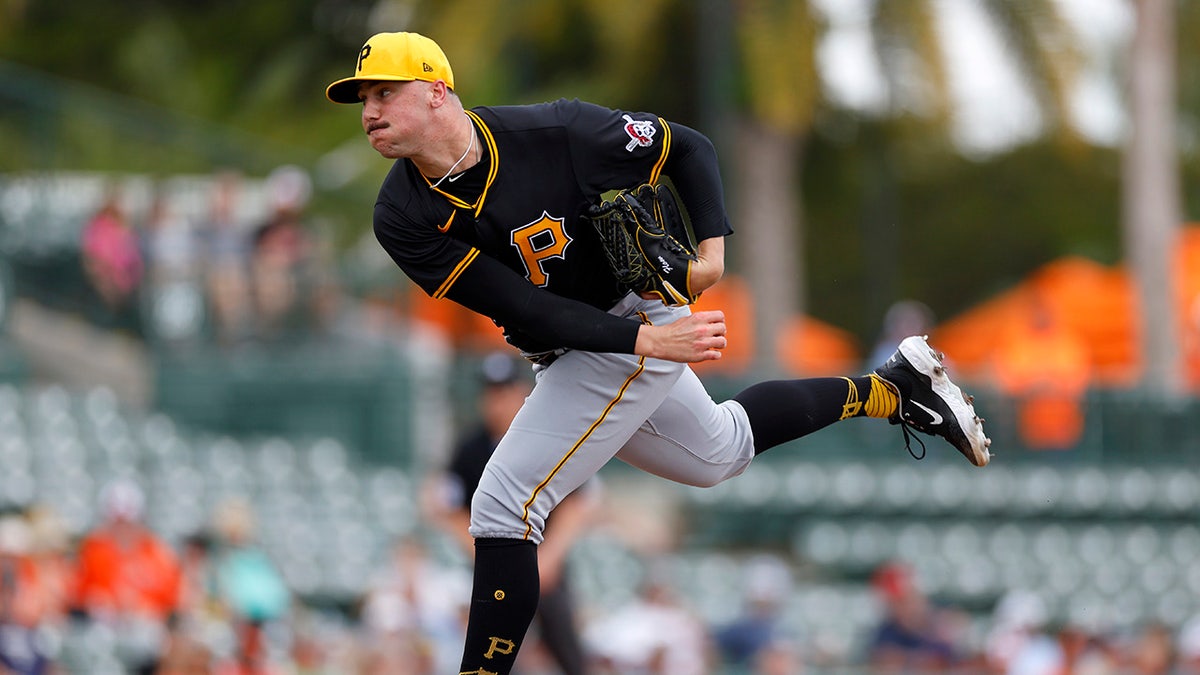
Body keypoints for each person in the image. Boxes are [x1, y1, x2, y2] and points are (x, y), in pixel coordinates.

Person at [324, 31, 991, 674]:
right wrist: (647, 342)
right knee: (719, 451)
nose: (370, 112)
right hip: (596, 339)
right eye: (363, 100)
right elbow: (520, 305)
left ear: (438, 91)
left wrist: (710, 256)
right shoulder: (402, 213)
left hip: (632, 313)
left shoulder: (556, 133)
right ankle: (891, 388)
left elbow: (688, 148)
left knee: (502, 503)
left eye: (384, 92)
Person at [427, 351, 598, 674]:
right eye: (491, 392)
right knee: (491, 652)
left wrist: (545, 561)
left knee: (568, 651)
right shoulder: (470, 448)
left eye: (504, 391)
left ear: (522, 392)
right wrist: (489, 559)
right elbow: (447, 508)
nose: (497, 401)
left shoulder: (549, 436)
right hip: (489, 566)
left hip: (547, 565)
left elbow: (578, 503)